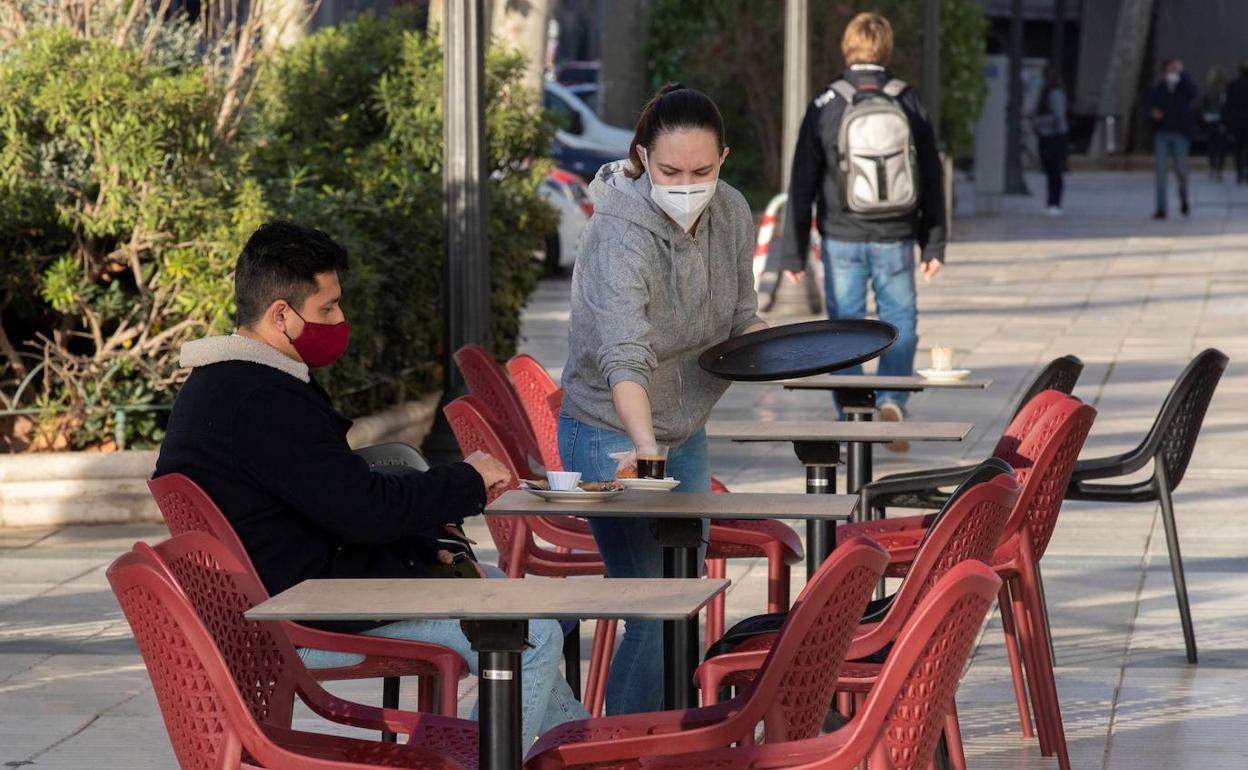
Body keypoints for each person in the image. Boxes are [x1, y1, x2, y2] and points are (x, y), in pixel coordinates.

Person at [155, 221, 589, 747]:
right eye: (328, 308)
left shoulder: (224, 384)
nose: (341, 320)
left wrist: (427, 543)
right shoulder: (261, 399)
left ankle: (576, 753)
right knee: (531, 634)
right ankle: (481, 759)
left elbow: (330, 501)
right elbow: (362, 511)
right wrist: (467, 480)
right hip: (301, 618)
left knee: (502, 589)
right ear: (280, 315)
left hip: (293, 594)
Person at [558, 84, 766, 715]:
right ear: (643, 158)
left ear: (723, 159)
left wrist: (794, 350)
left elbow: (741, 319)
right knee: (655, 608)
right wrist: (644, 450)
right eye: (671, 170)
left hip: (686, 426)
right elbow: (625, 357)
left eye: (702, 170)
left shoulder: (730, 210)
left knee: (684, 597)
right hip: (609, 429)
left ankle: (659, 741)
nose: (687, 182)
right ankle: (612, 756)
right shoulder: (620, 231)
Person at [780, 11, 946, 451]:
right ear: (886, 49)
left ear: (847, 48)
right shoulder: (908, 101)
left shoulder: (826, 104)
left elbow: (802, 182)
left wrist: (793, 253)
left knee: (844, 329)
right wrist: (934, 243)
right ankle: (892, 398)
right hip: (896, 234)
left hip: (842, 235)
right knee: (901, 321)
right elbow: (931, 175)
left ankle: (856, 408)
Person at [1150, 58, 1199, 218]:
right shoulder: (1158, 89)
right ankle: (1161, 208)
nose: (1173, 73)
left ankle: (1184, 199)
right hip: (1162, 133)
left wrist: (1183, 74)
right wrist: (1153, 114)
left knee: (1181, 171)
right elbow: (1149, 107)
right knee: (1160, 172)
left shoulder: (1184, 88)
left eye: (1176, 70)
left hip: (1180, 133)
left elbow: (1194, 92)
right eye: (1171, 70)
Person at [1033, 65, 1070, 215]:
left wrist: (1040, 122)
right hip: (1047, 135)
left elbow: (1058, 116)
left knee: (1055, 171)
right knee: (1050, 171)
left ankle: (1055, 203)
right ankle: (1051, 202)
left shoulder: (1055, 94)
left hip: (1054, 137)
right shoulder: (1045, 94)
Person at [1198, 65, 1228, 181]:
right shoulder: (1223, 89)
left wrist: (1204, 115)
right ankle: (1219, 169)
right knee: (1220, 145)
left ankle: (1213, 168)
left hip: (1211, 118)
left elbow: (1203, 104)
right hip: (1219, 119)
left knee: (1212, 144)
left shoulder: (1209, 89)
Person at [1226, 60, 1248, 185]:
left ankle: (1240, 172)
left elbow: (1228, 105)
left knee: (1238, 148)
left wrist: (1227, 123)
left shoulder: (1233, 85)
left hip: (1236, 122)